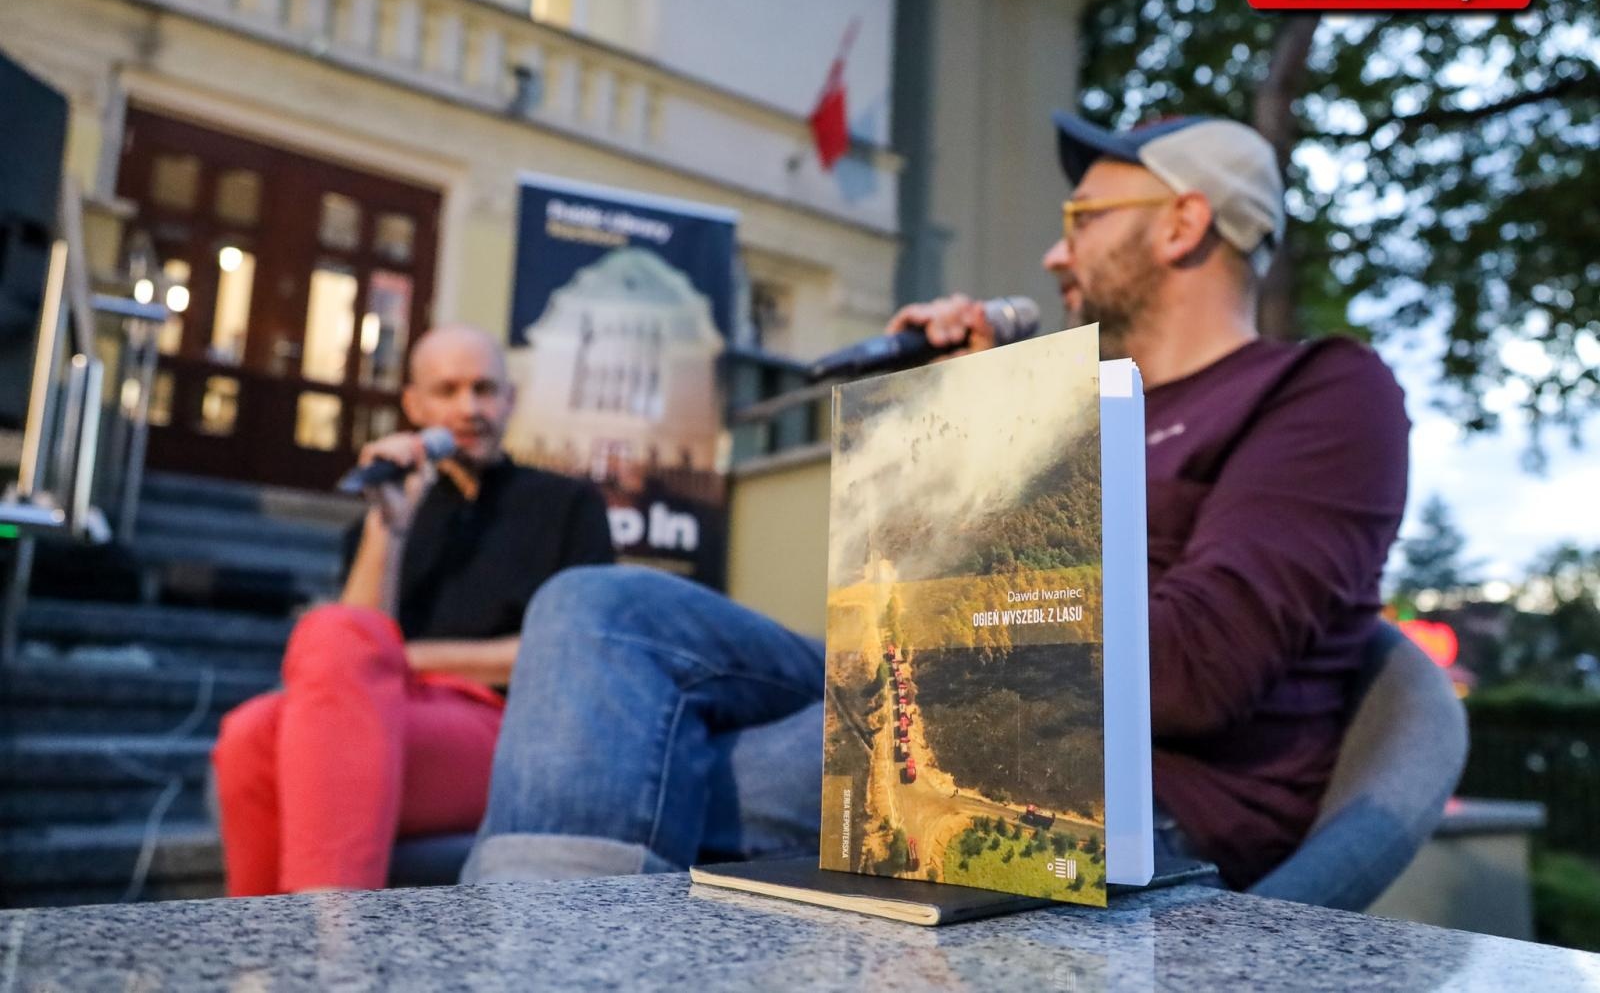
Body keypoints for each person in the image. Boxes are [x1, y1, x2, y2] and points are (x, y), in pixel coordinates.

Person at [464, 114, 1410, 890]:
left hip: (1128, 781)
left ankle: (534, 958)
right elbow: (906, 610)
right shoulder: (1077, 403)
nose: (1055, 253)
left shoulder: (1324, 393)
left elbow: (1192, 672)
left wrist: (1010, 440)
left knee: (648, 767)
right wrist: (973, 415)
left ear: (1181, 224)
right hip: (952, 688)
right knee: (598, 606)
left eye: (1082, 217)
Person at [211, 324, 615, 895]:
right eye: (447, 391)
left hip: (506, 725)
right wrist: (390, 524)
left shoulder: (567, 504)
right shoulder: (387, 516)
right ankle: (262, 940)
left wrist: (402, 658)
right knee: (248, 733)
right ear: (414, 405)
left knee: (309, 695)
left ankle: (327, 938)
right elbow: (351, 646)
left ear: (510, 399)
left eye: (485, 389)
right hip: (385, 709)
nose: (469, 408)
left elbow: (569, 654)